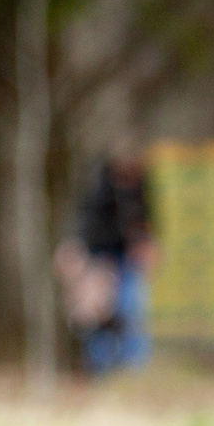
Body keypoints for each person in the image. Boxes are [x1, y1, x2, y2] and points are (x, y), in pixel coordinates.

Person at [77, 147, 157, 374]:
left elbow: (148, 221)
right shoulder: (98, 186)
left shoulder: (141, 185)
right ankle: (99, 369)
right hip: (101, 258)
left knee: (133, 311)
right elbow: (86, 224)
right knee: (98, 316)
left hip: (129, 260)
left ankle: (134, 370)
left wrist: (146, 243)